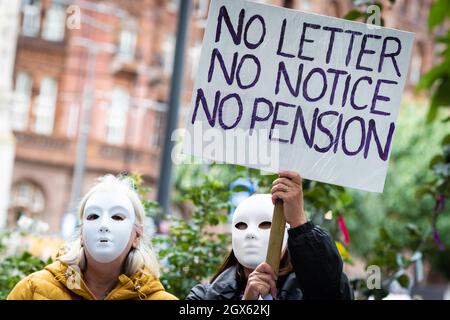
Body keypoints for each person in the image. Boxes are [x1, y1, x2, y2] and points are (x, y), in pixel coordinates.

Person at [186, 171, 353, 300]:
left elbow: (333, 292)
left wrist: (298, 220)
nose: (250, 233)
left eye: (265, 224)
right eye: (241, 225)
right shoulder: (204, 296)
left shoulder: (307, 292)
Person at [7, 174, 177, 300]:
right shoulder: (33, 290)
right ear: (81, 232)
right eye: (93, 216)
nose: (103, 225)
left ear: (136, 235)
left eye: (117, 217)